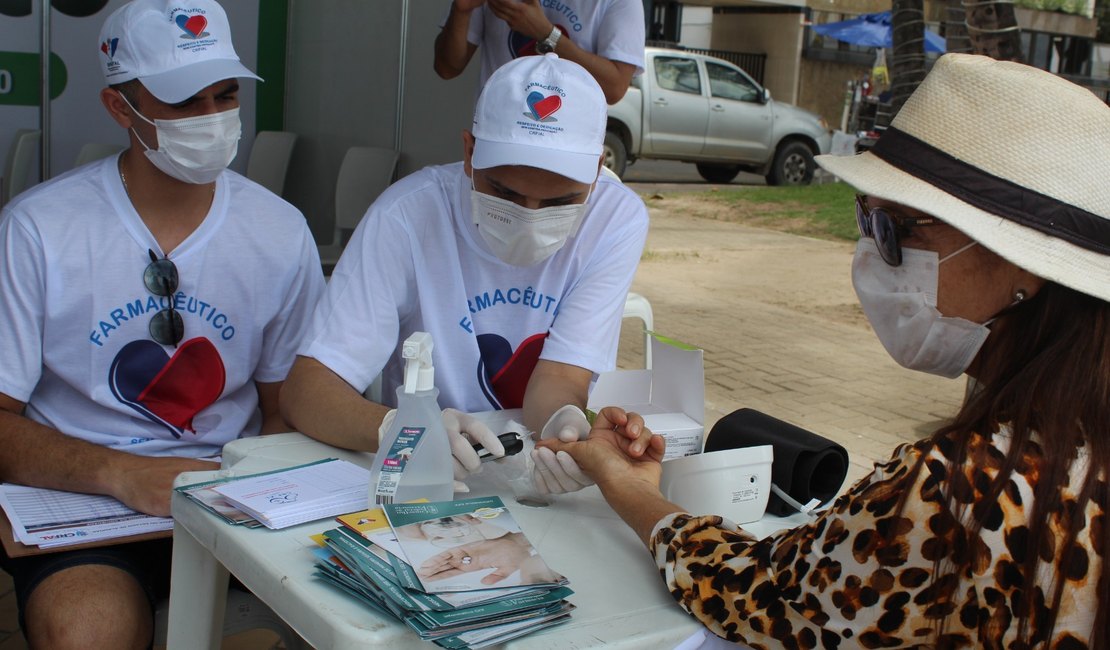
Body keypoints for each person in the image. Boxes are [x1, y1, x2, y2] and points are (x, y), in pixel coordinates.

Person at [539, 53, 1108, 647]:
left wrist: (627, 483)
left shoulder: (958, 493)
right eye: (867, 219)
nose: (869, 257)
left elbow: (759, 594)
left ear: (1021, 263)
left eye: (898, 230)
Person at [0, 0, 324, 646]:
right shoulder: (39, 230)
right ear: (121, 108)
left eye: (226, 95)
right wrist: (122, 474)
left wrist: (256, 491)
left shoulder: (281, 234)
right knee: (89, 630)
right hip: (85, 509)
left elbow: (287, 408)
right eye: (184, 101)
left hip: (228, 500)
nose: (213, 119)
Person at [281, 52, 649, 497]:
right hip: (425, 485)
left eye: (557, 203)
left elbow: (561, 376)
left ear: (595, 172)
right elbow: (307, 391)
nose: (527, 218)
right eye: (505, 193)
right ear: (470, 152)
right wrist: (403, 430)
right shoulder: (408, 215)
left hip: (524, 478)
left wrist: (564, 426)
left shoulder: (615, 218)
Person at [433, 0, 645, 105]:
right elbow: (447, 68)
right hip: (497, 140)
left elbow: (614, 88)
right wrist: (461, 10)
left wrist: (546, 34)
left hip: (570, 147)